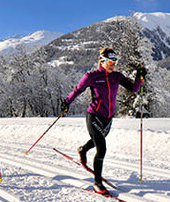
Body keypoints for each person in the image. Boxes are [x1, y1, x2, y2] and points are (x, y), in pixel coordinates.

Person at [61, 48, 147, 194]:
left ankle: (82, 150)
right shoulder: (91, 76)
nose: (113, 65)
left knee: (96, 141)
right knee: (102, 147)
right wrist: (67, 103)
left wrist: (139, 77)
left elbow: (134, 89)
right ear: (102, 61)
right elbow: (77, 90)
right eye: (110, 62)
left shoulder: (117, 76)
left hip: (108, 118)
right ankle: (97, 183)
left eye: (115, 62)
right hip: (94, 116)